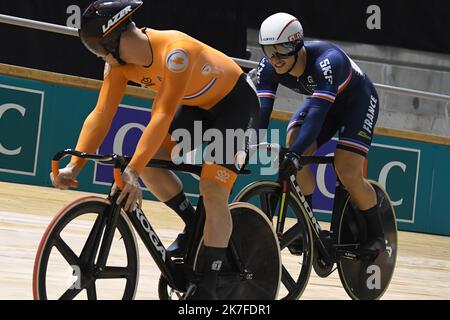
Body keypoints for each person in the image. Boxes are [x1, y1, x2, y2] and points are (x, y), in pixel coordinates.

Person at [50, 0, 260, 299]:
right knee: (150, 165)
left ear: (117, 36)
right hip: (196, 105)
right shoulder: (118, 66)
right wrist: (74, 166)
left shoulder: (175, 52)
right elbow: (101, 114)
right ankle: (194, 226)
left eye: (100, 48)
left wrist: (131, 172)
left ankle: (209, 286)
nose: (102, 56)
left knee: (212, 188)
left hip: (236, 104)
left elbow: (161, 115)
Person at [254, 12, 385, 255]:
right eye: (268, 50)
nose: (275, 58)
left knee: (346, 169)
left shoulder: (327, 61)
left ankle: (378, 236)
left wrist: (294, 155)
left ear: (296, 44)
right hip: (323, 102)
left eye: (282, 49)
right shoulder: (268, 67)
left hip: (356, 102)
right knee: (294, 144)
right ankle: (309, 224)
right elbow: (262, 112)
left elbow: (316, 114)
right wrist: (246, 144)